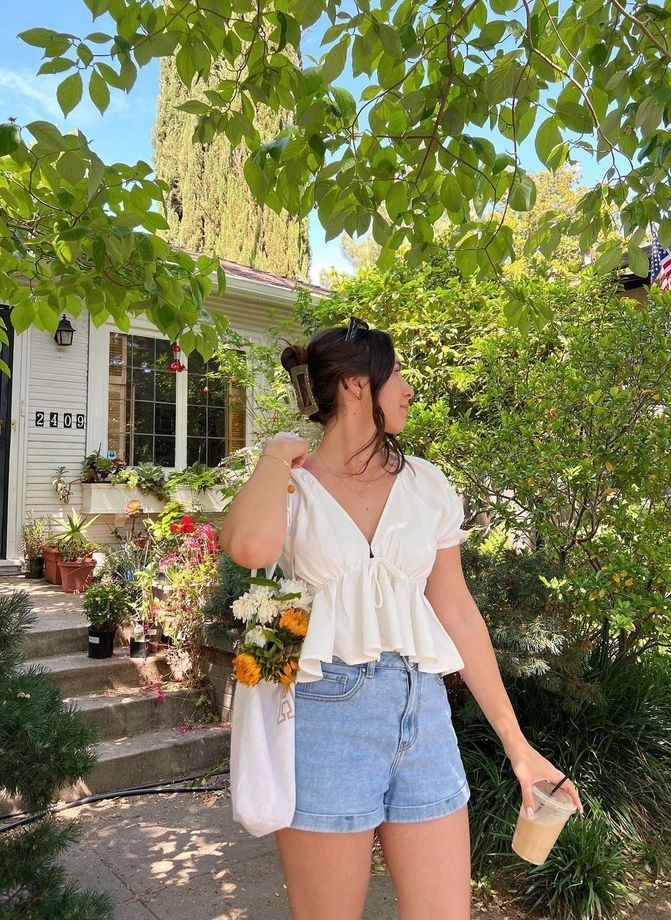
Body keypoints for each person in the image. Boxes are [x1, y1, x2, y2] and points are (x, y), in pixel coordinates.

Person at [220, 317, 583, 920]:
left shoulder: (426, 484)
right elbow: (251, 550)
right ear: (358, 386)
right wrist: (275, 456)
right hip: (323, 714)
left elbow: (458, 613)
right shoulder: (294, 482)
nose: (409, 389)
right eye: (398, 375)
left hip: (424, 711)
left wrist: (518, 748)